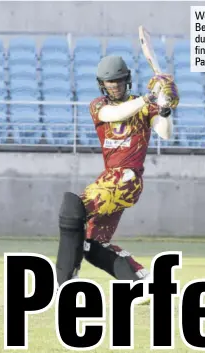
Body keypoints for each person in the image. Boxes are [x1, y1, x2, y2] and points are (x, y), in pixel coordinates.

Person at [55, 55, 179, 304]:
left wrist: (164, 110)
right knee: (93, 244)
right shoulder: (99, 105)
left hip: (127, 178)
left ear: (127, 80)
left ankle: (64, 285)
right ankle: (141, 282)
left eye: (118, 82)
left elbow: (165, 134)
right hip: (110, 178)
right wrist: (149, 98)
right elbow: (115, 114)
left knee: (72, 210)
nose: (114, 87)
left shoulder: (144, 106)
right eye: (109, 83)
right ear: (102, 84)